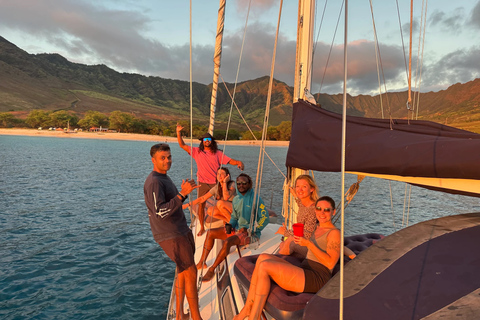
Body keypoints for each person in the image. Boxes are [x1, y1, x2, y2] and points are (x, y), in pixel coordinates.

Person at [233, 196, 341, 320]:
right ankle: (247, 308)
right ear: (315, 210)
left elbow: (330, 263)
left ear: (333, 212)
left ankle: (254, 316)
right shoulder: (318, 227)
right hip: (305, 268)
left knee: (264, 266)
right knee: (262, 258)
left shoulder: (334, 232)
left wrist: (309, 244)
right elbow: (339, 247)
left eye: (326, 210)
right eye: (319, 208)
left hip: (317, 277)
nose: (322, 213)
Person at [143, 143, 202, 320]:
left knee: (184, 270)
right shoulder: (154, 181)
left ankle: (180, 315)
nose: (167, 160)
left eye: (169, 157)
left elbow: (171, 204)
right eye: (163, 158)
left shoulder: (164, 178)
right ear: (153, 160)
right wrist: (182, 194)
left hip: (180, 230)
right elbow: (159, 212)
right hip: (170, 234)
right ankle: (196, 317)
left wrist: (184, 192)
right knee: (191, 271)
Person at [197, 173, 270, 282]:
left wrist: (252, 229)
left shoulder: (256, 199)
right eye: (239, 183)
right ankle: (202, 262)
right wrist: (230, 225)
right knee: (210, 233)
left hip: (250, 234)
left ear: (249, 184)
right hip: (237, 229)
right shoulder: (236, 200)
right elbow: (234, 217)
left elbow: (265, 218)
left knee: (227, 242)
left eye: (244, 183)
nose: (241, 185)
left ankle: (212, 269)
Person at [176, 124, 244, 236]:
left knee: (222, 202)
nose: (207, 141)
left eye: (209, 139)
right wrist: (178, 132)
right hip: (202, 182)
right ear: (202, 141)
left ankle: (226, 224)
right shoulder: (197, 151)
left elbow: (229, 160)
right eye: (205, 139)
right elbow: (182, 145)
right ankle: (202, 227)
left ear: (212, 141)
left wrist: (238, 162)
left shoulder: (218, 153)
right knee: (201, 204)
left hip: (215, 182)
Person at [275, 175, 318, 258]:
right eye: (297, 186)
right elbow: (300, 204)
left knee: (288, 241)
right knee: (282, 244)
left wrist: (285, 232)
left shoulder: (313, 209)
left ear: (312, 189)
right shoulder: (305, 204)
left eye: (304, 187)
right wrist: (295, 195)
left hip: (311, 246)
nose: (300, 190)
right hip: (304, 241)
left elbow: (306, 234)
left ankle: (274, 262)